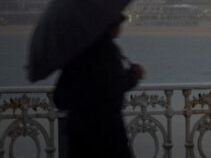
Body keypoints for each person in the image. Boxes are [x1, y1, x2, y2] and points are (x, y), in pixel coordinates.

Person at [54, 16, 144, 158]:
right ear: (112, 27)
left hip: (78, 136)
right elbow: (113, 87)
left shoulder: (77, 50)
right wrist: (133, 75)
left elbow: (59, 98)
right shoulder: (108, 51)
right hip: (108, 135)